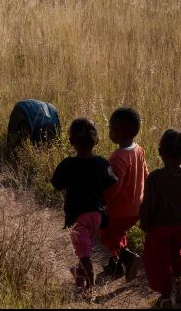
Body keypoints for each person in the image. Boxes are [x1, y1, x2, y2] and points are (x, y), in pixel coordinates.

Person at [52, 118, 117, 294]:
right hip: (97, 216)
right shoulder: (102, 163)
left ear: (71, 141)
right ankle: (79, 275)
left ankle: (90, 288)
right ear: (97, 140)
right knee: (85, 248)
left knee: (84, 254)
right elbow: (111, 183)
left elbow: (56, 184)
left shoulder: (68, 164)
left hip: (78, 217)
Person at [139, 129, 181, 308]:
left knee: (160, 262)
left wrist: (145, 224)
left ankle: (166, 296)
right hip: (180, 226)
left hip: (159, 228)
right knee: (177, 253)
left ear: (160, 152)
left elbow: (148, 205)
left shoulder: (155, 178)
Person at [100, 107, 148, 282]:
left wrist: (103, 202)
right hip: (136, 209)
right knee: (119, 234)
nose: (109, 132)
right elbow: (145, 174)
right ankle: (116, 266)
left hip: (118, 211)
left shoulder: (118, 157)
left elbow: (114, 186)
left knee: (105, 234)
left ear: (118, 132)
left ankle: (126, 257)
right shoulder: (139, 150)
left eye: (110, 128)